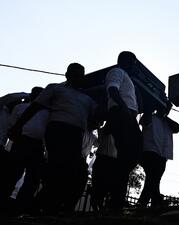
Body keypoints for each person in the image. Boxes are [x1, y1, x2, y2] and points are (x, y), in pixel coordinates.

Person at [9, 63, 98, 214]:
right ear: (67, 75)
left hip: (76, 134)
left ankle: (42, 205)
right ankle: (39, 206)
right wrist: (18, 125)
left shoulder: (87, 99)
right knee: (59, 167)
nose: (78, 77)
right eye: (75, 73)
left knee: (74, 171)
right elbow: (34, 107)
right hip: (58, 130)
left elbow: (96, 119)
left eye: (81, 74)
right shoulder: (56, 88)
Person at [104, 51, 142, 211]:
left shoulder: (128, 78)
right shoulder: (117, 72)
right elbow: (113, 90)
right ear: (125, 61)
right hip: (121, 113)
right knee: (131, 152)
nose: (135, 65)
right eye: (133, 62)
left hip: (126, 115)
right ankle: (114, 198)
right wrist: (124, 108)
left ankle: (116, 198)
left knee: (128, 156)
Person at [4, 87, 48, 214]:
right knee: (26, 177)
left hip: (25, 143)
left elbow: (11, 125)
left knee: (16, 175)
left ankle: (11, 204)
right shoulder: (47, 112)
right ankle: (19, 205)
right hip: (29, 144)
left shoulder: (21, 108)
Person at [137, 102, 179, 208]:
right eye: (166, 108)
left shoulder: (167, 122)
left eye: (169, 109)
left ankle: (149, 203)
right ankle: (152, 201)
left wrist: (165, 116)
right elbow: (144, 121)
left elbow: (177, 128)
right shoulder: (150, 117)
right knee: (153, 179)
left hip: (162, 155)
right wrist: (151, 108)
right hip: (149, 152)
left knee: (153, 180)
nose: (167, 111)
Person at [90, 125, 118, 213]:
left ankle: (99, 205)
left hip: (109, 159)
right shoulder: (105, 130)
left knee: (103, 185)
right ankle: (97, 205)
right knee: (99, 184)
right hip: (104, 158)